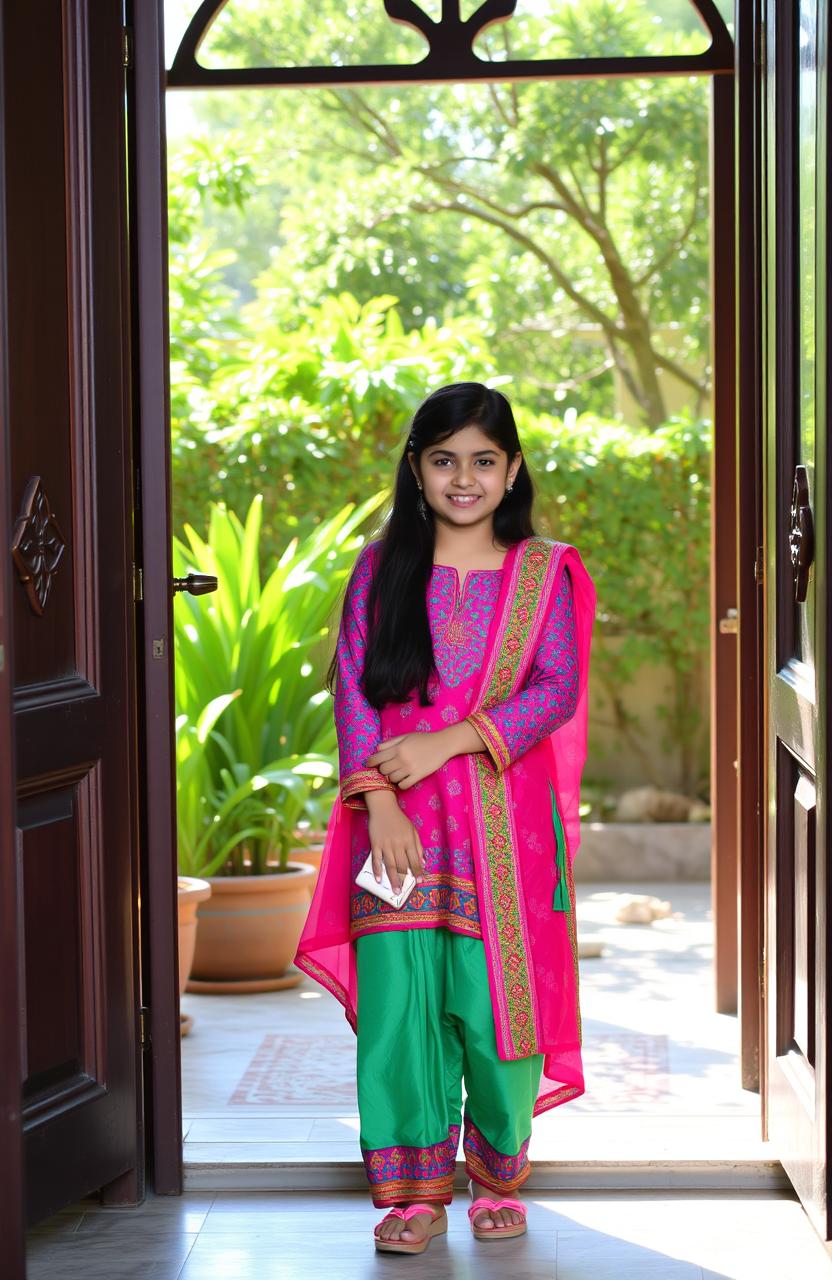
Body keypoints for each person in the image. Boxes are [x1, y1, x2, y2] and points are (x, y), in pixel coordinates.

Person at [295, 382, 595, 1255]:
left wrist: (448, 742)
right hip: (395, 828)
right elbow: (352, 689)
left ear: (512, 471)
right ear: (417, 470)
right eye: (443, 459)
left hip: (507, 828)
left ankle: (498, 1177)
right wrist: (381, 799)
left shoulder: (548, 572)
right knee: (401, 1007)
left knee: (499, 1005)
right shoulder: (380, 568)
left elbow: (557, 689)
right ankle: (415, 1192)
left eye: (483, 460)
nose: (463, 477)